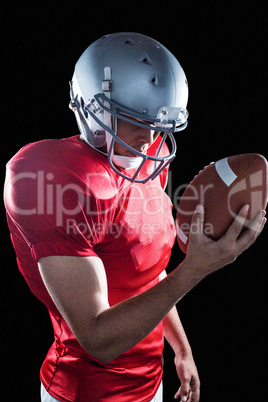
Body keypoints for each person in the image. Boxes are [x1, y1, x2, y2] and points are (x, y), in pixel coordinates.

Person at [4, 32, 266, 402]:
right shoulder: (48, 178)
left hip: (148, 381)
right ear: (93, 108)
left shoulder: (144, 154)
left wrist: (182, 348)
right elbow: (98, 341)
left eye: (155, 123)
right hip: (87, 391)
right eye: (132, 118)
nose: (147, 138)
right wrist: (196, 269)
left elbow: (144, 272)